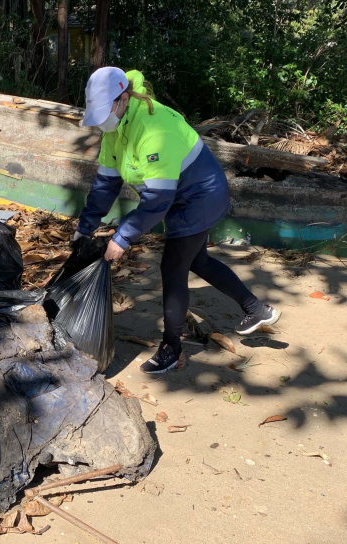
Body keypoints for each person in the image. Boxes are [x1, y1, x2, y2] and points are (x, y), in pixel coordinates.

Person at [76, 67, 280, 374]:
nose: (102, 119)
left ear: (124, 99)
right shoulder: (115, 129)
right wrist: (85, 227)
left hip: (200, 197)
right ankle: (257, 309)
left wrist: (122, 237)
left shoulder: (154, 129)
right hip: (178, 197)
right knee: (197, 261)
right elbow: (106, 183)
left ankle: (171, 347)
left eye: (106, 111)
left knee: (173, 267)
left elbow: (157, 201)